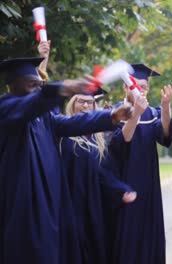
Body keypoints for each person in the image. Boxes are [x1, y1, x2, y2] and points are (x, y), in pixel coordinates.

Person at [0, 57, 132, 264]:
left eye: (40, 85)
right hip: (21, 204)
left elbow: (74, 122)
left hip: (48, 202)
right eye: (31, 84)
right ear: (13, 85)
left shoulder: (45, 118)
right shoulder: (6, 109)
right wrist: (61, 88)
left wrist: (111, 117)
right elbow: (31, 105)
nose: (37, 89)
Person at [107, 63, 172, 264]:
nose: (140, 89)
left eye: (144, 86)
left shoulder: (152, 113)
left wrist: (165, 107)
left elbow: (165, 135)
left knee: (149, 231)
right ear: (125, 88)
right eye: (136, 85)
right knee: (126, 232)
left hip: (148, 184)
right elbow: (121, 141)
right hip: (123, 181)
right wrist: (135, 113)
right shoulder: (114, 113)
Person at [59, 91, 137, 264]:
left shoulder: (98, 139)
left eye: (90, 102)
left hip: (91, 205)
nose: (86, 106)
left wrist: (120, 190)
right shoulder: (63, 135)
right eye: (81, 101)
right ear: (72, 104)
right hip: (69, 204)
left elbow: (103, 173)